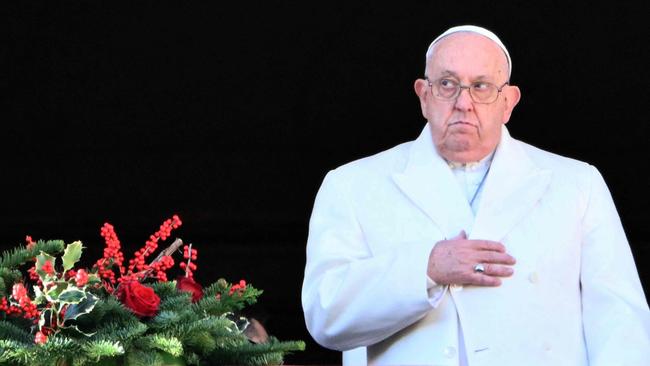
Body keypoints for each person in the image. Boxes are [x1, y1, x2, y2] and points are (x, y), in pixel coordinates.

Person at [301, 25, 650, 366]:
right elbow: (325, 314)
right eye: (447, 84)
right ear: (424, 96)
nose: (463, 103)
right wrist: (426, 268)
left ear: (508, 102)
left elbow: (620, 322)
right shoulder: (352, 185)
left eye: (481, 86)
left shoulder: (578, 184)